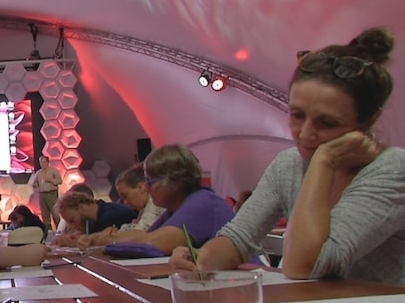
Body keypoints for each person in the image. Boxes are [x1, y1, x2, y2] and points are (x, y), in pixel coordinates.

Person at [171, 27, 405, 285]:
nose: (305, 134)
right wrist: (201, 259)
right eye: (296, 115)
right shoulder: (288, 164)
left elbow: (307, 265)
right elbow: (238, 238)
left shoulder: (393, 169)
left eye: (326, 123)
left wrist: (324, 160)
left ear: (370, 120)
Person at [81, 144, 235, 254]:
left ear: (174, 181)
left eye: (150, 182)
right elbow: (146, 235)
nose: (146, 188)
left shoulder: (202, 202)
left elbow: (158, 243)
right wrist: (92, 240)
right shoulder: (177, 207)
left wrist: (107, 241)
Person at [53, 192, 138, 247]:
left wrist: (76, 241)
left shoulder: (111, 214)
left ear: (81, 208)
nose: (73, 225)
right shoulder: (93, 220)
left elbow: (105, 239)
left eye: (72, 220)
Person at [114, 164, 166, 231]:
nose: (125, 202)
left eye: (125, 196)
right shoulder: (145, 207)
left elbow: (140, 232)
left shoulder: (154, 204)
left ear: (141, 187)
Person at [30, 155, 62, 230]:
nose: (42, 164)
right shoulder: (38, 173)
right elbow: (34, 184)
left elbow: (60, 181)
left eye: (44, 162)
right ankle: (48, 232)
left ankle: (59, 231)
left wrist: (51, 180)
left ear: (48, 162)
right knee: (45, 215)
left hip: (52, 194)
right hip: (42, 195)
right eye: (41, 162)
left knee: (55, 214)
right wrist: (37, 189)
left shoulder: (53, 171)